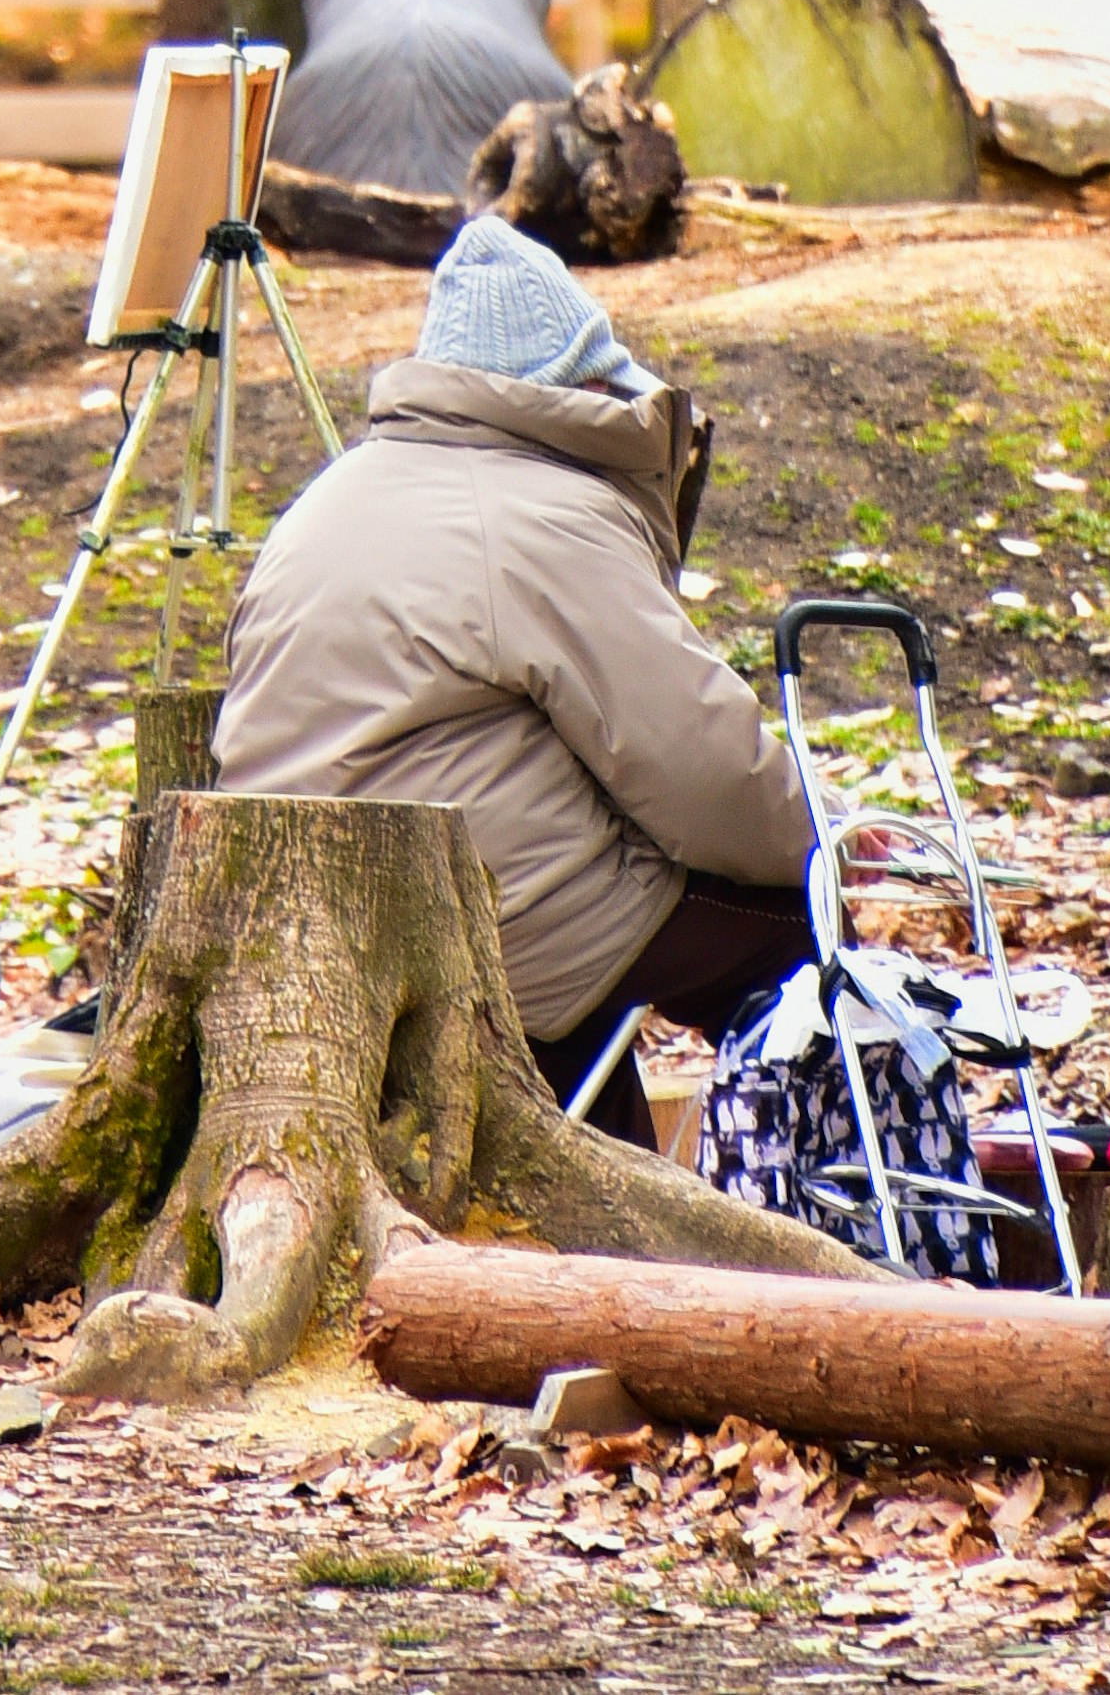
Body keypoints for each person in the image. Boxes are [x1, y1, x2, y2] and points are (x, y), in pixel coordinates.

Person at [210, 209, 814, 1142]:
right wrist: (829, 844)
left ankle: (602, 1184)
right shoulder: (543, 513)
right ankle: (835, 1213)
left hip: (300, 935)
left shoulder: (332, 494)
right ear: (575, 385)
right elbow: (704, 771)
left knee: (594, 975)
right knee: (798, 920)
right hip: (467, 927)